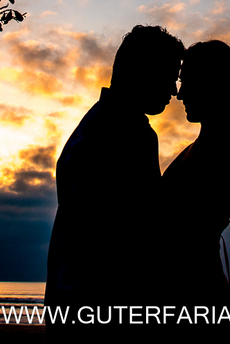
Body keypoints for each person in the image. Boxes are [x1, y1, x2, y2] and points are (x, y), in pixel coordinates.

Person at [44, 24, 184, 339]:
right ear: (144, 72)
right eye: (170, 76)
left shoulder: (94, 124)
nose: (174, 91)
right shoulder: (128, 133)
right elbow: (128, 238)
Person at [161, 39, 230, 340]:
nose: (180, 93)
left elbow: (183, 228)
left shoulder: (222, 151)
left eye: (187, 82)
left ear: (211, 85)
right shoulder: (205, 146)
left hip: (192, 291)